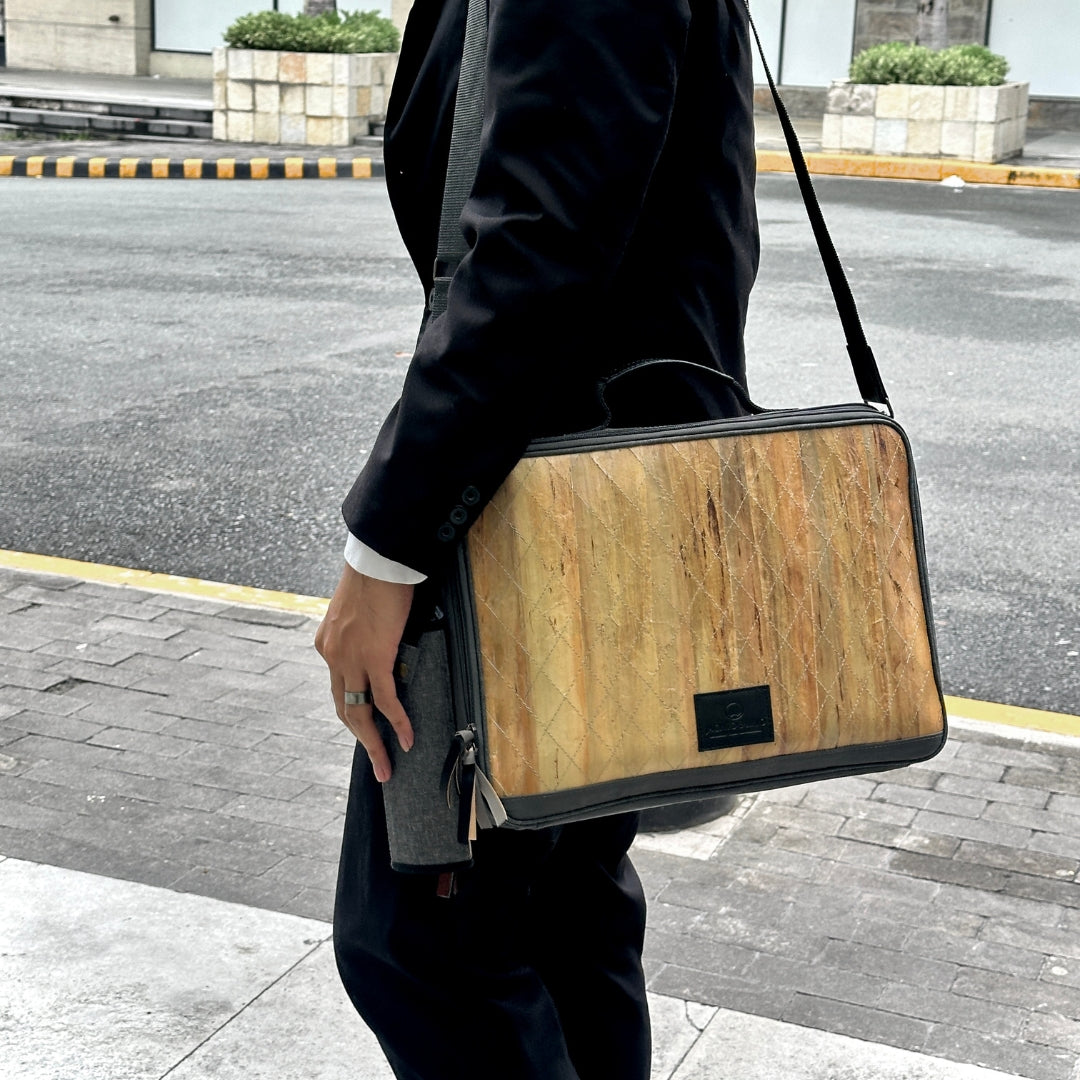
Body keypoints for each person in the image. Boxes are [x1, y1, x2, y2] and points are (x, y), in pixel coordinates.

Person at [314, 0, 759, 1076]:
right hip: (605, 503)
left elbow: (536, 253)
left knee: (422, 942)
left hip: (538, 525)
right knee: (562, 915)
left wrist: (386, 549)